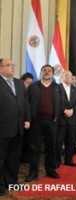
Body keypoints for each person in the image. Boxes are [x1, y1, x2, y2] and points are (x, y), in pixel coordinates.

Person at [25, 65, 62, 182]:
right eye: (44, 70)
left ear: (53, 74)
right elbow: (26, 103)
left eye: (49, 70)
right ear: (41, 73)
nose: (47, 72)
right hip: (36, 122)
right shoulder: (33, 87)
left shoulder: (58, 88)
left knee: (51, 147)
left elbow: (61, 104)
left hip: (52, 122)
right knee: (34, 148)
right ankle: (33, 172)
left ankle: (51, 170)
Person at [0, 58, 30, 196]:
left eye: (13, 65)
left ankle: (11, 182)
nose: (13, 67)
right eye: (9, 65)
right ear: (1, 68)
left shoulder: (19, 83)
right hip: (2, 128)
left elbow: (26, 103)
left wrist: (27, 119)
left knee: (14, 158)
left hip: (18, 128)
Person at [56, 70, 76, 168]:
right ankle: (57, 161)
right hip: (61, 120)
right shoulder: (57, 88)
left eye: (70, 76)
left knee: (70, 141)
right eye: (66, 75)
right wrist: (64, 111)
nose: (68, 77)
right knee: (58, 142)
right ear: (62, 77)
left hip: (72, 120)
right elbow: (56, 102)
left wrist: (72, 110)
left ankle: (69, 160)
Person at [20, 72, 34, 163]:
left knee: (27, 140)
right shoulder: (18, 90)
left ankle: (25, 157)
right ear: (22, 81)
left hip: (28, 120)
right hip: (18, 120)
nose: (29, 85)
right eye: (27, 82)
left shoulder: (30, 91)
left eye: (30, 83)